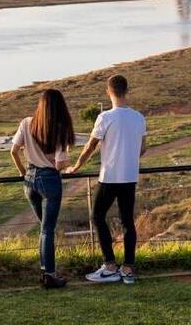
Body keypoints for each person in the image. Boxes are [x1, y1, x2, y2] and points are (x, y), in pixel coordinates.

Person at [66, 74, 146, 285]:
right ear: (126, 91)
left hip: (109, 177)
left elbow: (90, 146)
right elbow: (143, 148)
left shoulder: (105, 117)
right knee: (128, 222)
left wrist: (77, 166)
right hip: (129, 177)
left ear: (108, 92)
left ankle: (110, 266)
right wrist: (128, 157)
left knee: (98, 216)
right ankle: (128, 269)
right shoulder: (139, 117)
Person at [10, 89, 75, 289]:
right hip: (49, 181)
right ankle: (49, 275)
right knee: (47, 229)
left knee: (43, 229)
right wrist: (69, 164)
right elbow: (59, 164)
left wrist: (24, 173)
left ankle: (45, 271)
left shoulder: (26, 123)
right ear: (60, 107)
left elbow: (13, 151)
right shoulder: (59, 128)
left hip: (30, 180)